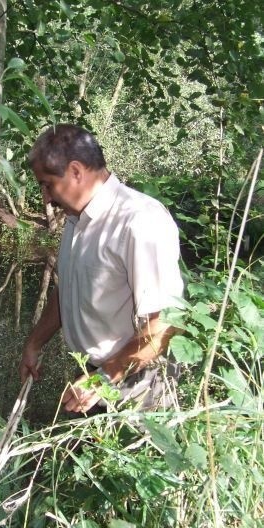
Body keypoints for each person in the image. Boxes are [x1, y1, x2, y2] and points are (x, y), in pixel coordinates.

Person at [19, 124, 184, 414]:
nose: (45, 197)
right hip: (94, 377)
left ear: (75, 171)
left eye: (47, 184)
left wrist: (105, 378)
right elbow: (68, 288)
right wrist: (34, 343)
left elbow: (166, 324)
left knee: (133, 459)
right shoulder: (76, 220)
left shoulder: (139, 221)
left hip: (138, 385)